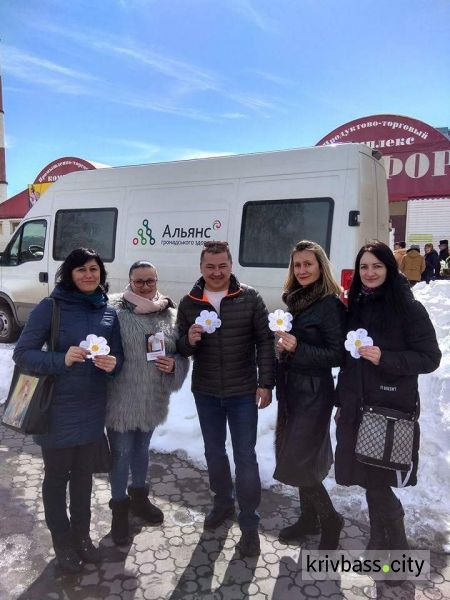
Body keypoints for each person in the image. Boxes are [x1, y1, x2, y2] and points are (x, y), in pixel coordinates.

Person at [13, 248, 124, 574]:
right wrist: (60, 360)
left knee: (84, 480)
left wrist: (113, 364)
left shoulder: (108, 312)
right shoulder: (52, 306)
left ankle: (82, 537)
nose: (89, 275)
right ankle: (62, 542)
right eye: (81, 270)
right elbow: (23, 354)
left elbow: (117, 358)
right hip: (56, 409)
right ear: (69, 274)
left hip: (92, 408)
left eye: (94, 269)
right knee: (57, 478)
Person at [335, 241, 441, 558]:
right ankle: (379, 538)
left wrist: (386, 358)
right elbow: (348, 360)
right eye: (364, 267)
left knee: (379, 481)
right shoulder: (356, 306)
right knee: (368, 478)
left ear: (388, 269)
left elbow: (430, 358)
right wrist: (342, 402)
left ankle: (395, 548)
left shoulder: (408, 308)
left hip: (388, 410)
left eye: (377, 266)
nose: (369, 273)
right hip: (356, 407)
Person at [176, 241, 275, 557]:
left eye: (222, 265)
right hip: (205, 392)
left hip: (243, 392)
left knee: (245, 456)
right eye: (210, 266)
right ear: (201, 268)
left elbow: (265, 341)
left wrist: (266, 383)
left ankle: (249, 524)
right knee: (214, 452)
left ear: (231, 265)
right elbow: (181, 346)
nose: (216, 272)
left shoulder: (249, 297)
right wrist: (189, 340)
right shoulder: (190, 302)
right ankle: (222, 503)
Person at [106, 260, 189, 545]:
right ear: (129, 281)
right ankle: (119, 511)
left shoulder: (169, 313)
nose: (145, 286)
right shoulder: (114, 310)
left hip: (153, 398)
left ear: (157, 280)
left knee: (142, 451)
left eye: (150, 280)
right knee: (120, 455)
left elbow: (180, 352)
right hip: (120, 400)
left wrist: (174, 365)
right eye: (139, 281)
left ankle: (139, 498)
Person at [273, 240, 346, 550]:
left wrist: (297, 348)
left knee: (299, 459)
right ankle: (308, 519)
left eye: (308, 264)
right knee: (298, 456)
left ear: (320, 267)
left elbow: (337, 354)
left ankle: (331, 519)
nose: (302, 270)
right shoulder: (298, 300)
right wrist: (283, 349)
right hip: (293, 389)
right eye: (297, 265)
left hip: (315, 393)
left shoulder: (329, 304)